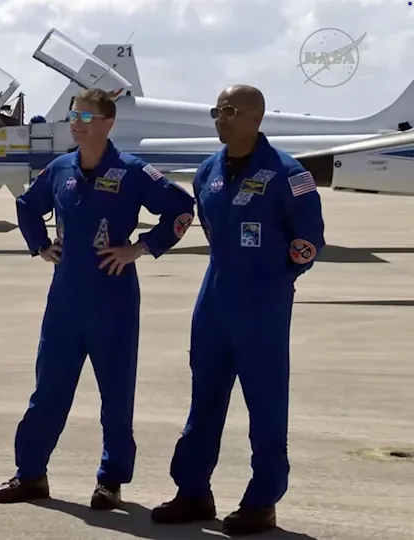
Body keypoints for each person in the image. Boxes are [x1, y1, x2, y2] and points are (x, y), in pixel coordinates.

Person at [0, 88, 197, 509]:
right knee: (48, 392)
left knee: (116, 397)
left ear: (108, 123)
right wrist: (40, 245)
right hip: (65, 300)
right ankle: (30, 474)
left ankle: (111, 480)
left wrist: (139, 248)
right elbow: (28, 206)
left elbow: (180, 210)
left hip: (114, 300)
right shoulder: (60, 169)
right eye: (74, 115)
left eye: (86, 115)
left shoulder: (133, 171)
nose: (78, 122)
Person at [150, 85, 325, 536]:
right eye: (217, 110)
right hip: (214, 299)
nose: (221, 118)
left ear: (256, 116)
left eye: (230, 111)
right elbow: (210, 226)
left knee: (265, 402)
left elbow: (308, 240)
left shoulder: (289, 174)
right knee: (204, 399)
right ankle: (192, 491)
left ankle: (262, 501)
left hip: (262, 303)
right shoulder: (206, 171)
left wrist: (276, 277)